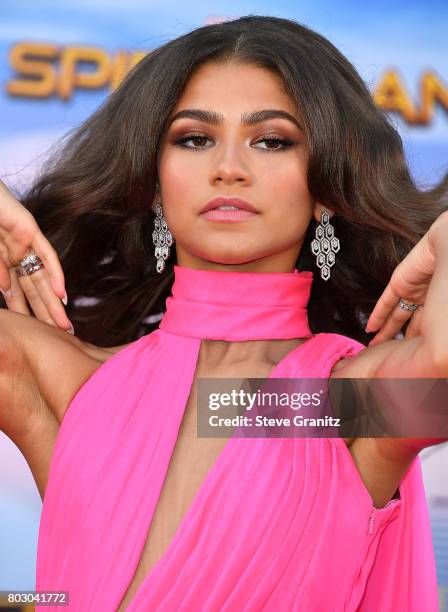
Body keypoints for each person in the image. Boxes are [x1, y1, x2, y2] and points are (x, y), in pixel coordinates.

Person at [0, 14, 447, 611]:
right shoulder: (70, 385)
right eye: (194, 138)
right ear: (155, 184)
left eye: (271, 140)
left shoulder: (336, 406)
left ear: (324, 189)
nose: (228, 166)